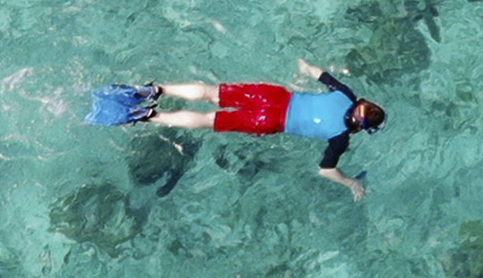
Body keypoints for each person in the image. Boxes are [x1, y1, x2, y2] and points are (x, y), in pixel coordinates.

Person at [89, 65, 384, 197]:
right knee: (208, 121)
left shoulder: (346, 93)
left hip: (276, 97)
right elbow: (326, 171)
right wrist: (351, 183)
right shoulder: (340, 138)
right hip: (271, 122)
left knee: (208, 92)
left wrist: (302, 67)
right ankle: (149, 116)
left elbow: (316, 71)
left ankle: (154, 89)